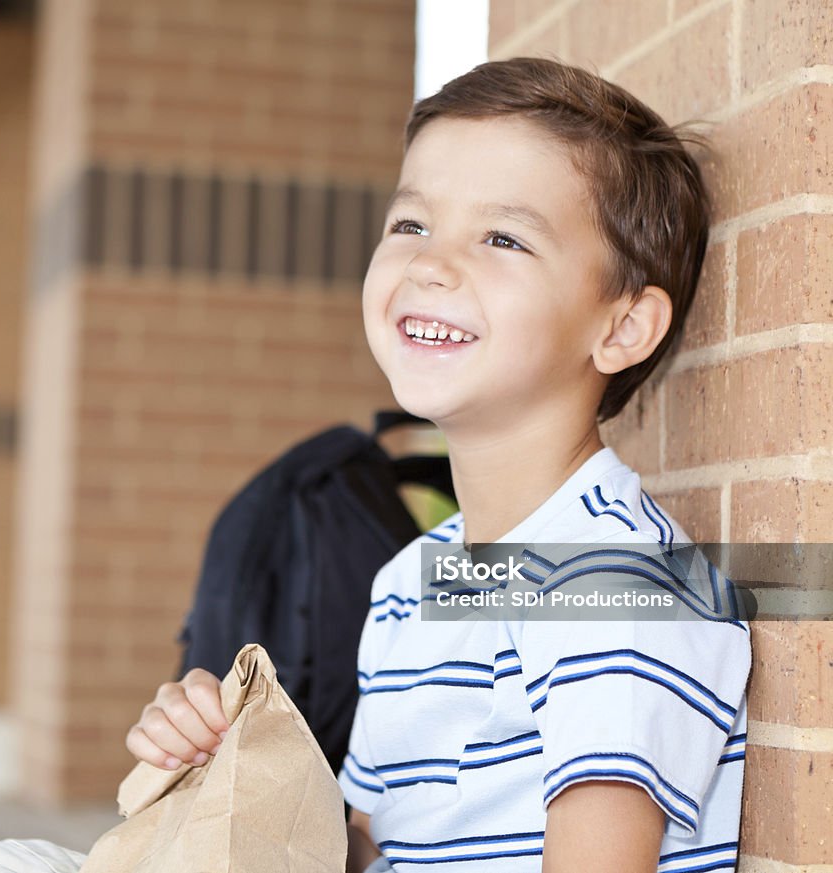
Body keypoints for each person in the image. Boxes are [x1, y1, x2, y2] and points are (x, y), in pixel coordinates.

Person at [127, 57, 751, 873]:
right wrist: (228, 772)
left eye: (502, 237)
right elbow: (369, 850)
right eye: (411, 225)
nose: (430, 263)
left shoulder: (616, 587)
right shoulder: (410, 585)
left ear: (624, 327)